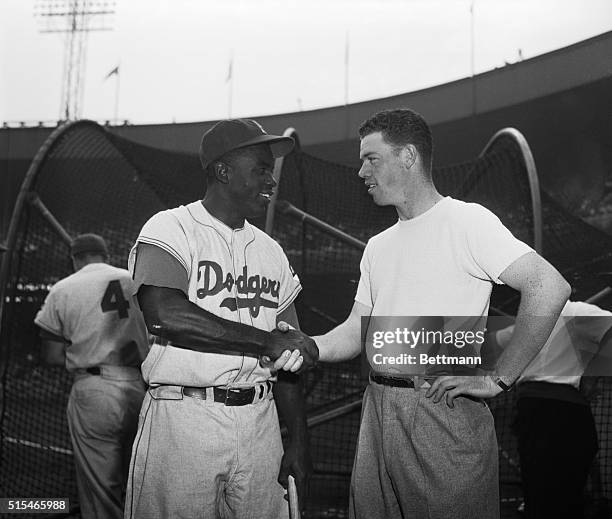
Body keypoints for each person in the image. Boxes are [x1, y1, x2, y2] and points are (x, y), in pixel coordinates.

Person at [277, 109, 571, 519]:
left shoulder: (467, 221)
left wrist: (498, 377)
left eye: (371, 158)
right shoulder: (378, 246)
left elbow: (549, 287)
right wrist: (308, 345)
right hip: (377, 408)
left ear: (409, 156)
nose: (361, 171)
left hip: (440, 408)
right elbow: (354, 332)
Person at [124, 118, 319, 519]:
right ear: (223, 171)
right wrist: (266, 342)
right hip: (184, 419)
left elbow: (289, 350)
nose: (271, 180)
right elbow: (163, 314)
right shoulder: (172, 227)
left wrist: (299, 439)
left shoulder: (272, 251)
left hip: (261, 422)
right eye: (261, 169)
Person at [34, 233, 149, 519]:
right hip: (141, 387)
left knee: (102, 490)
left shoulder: (63, 288)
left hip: (94, 388)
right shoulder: (133, 279)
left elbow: (50, 355)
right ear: (105, 254)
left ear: (75, 257)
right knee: (141, 481)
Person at [486, 300, 612, 519]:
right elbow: (490, 344)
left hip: (556, 411)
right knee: (549, 494)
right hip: (542, 410)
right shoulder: (526, 325)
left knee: (552, 495)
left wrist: (591, 377)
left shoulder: (575, 310)